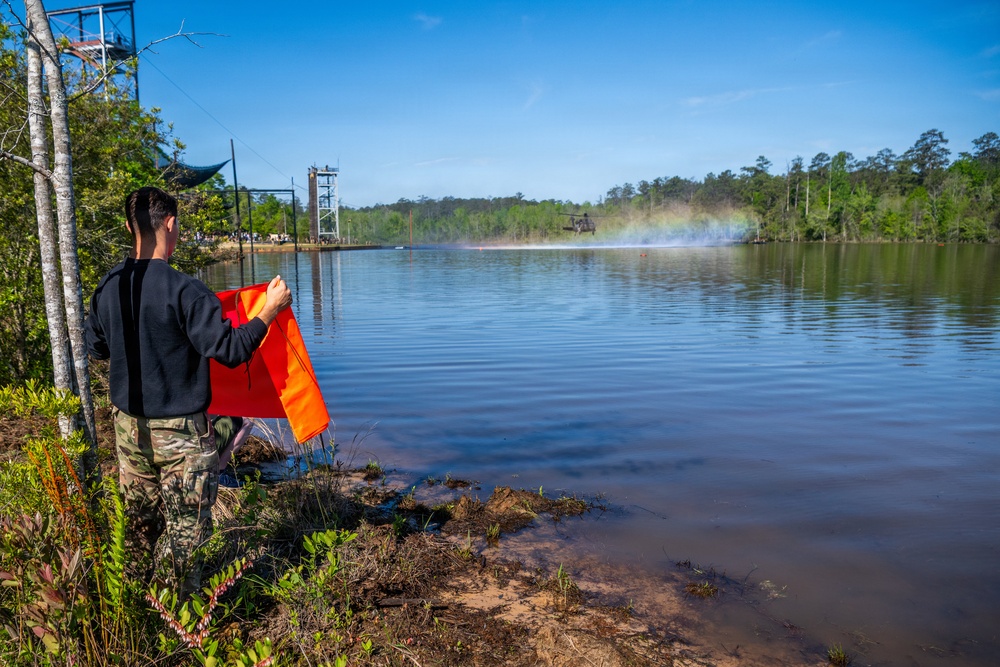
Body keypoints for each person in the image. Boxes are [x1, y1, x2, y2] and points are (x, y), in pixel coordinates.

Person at [85, 186, 292, 596]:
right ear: (172, 225)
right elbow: (231, 350)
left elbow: (96, 348)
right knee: (186, 538)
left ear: (130, 228)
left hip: (129, 432)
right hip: (180, 434)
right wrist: (268, 311)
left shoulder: (108, 287)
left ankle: (138, 616)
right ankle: (180, 627)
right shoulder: (185, 290)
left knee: (140, 530)